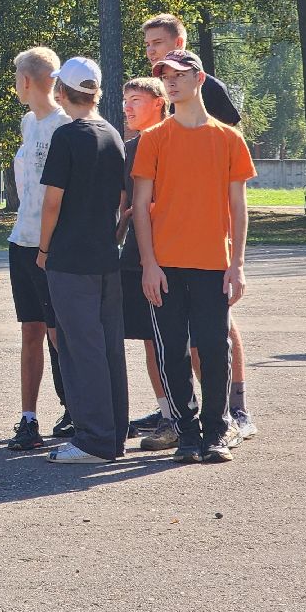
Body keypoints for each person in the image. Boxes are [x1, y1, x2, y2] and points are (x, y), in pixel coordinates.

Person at [131, 48, 255, 465]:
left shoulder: (229, 139)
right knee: (172, 351)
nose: (171, 82)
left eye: (179, 75)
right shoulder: (153, 139)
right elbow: (141, 206)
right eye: (165, 76)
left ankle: (216, 431)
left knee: (215, 348)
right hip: (165, 265)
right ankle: (186, 432)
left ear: (199, 79)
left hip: (213, 263)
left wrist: (237, 265)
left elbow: (238, 207)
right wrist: (149, 263)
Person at [36, 58, 128, 464]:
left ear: (61, 92)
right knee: (108, 349)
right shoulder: (113, 134)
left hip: (70, 257)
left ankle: (93, 440)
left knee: (79, 349)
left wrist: (43, 250)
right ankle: (113, 435)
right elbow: (122, 198)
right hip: (105, 255)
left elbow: (51, 202)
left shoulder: (67, 136)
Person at [5, 47, 71, 451]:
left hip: (53, 245)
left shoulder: (65, 125)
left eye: (17, 78)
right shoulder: (29, 122)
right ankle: (29, 418)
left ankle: (75, 407)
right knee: (31, 329)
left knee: (58, 331)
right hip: (22, 240)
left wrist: (47, 246)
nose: (16, 85)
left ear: (27, 81)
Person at [117, 78, 175, 448]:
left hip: (173, 256)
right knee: (150, 341)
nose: (128, 108)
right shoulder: (129, 148)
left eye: (136, 100)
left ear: (159, 102)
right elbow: (124, 203)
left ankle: (209, 414)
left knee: (184, 342)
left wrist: (149, 209)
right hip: (135, 258)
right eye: (125, 100)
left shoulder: (175, 141)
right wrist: (119, 226)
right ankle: (168, 416)